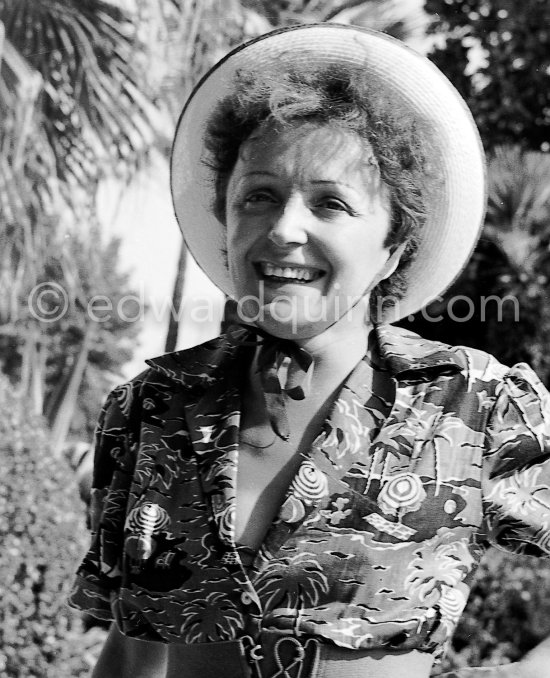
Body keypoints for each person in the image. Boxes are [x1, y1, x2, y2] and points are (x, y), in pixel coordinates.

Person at [69, 24, 550, 678]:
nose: (285, 227)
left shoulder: (475, 408)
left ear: (393, 249)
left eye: (331, 202)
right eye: (259, 196)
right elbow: (133, 649)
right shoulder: (149, 412)